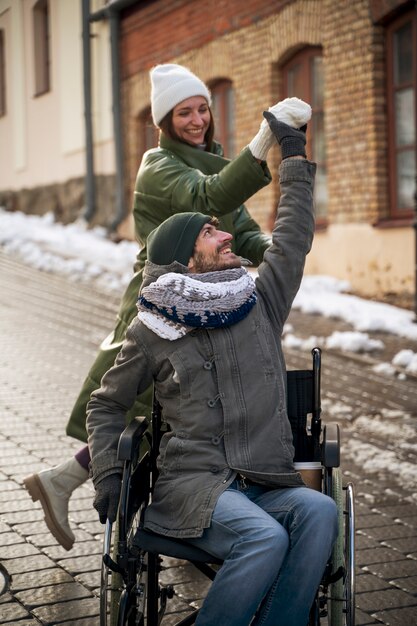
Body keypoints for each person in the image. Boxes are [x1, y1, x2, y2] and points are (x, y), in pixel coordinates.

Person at [23, 63, 312, 551]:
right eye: (184, 112)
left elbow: (239, 231)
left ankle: (66, 479)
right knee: (163, 408)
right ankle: (157, 500)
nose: (197, 120)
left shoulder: (215, 160)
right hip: (168, 303)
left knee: (180, 411)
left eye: (203, 109)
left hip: (213, 293)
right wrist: (265, 143)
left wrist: (280, 250)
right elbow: (209, 196)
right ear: (164, 121)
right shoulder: (159, 166)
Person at [87, 115, 338, 626]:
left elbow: (291, 239)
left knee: (320, 511)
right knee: (262, 536)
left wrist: (292, 157)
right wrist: (109, 471)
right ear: (184, 258)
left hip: (265, 477)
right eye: (209, 231)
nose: (227, 235)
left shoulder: (258, 301)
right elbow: (106, 402)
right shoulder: (152, 328)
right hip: (195, 486)